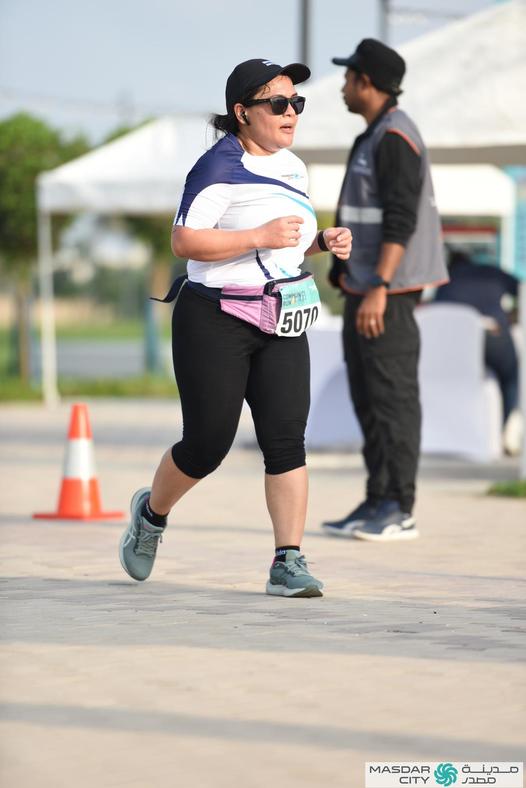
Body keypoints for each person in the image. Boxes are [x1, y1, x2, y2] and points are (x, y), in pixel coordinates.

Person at [119, 58, 352, 596]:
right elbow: (184, 241)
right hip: (215, 320)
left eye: (297, 103)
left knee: (286, 442)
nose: (291, 113)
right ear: (243, 112)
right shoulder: (217, 166)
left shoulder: (294, 167)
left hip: (281, 319)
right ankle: (151, 516)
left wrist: (323, 241)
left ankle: (287, 561)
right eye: (279, 103)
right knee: (207, 446)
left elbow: (287, 245)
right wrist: (258, 236)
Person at [322, 39, 448, 542]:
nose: (343, 86)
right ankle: (377, 499)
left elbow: (400, 219)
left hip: (386, 294)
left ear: (367, 82)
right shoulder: (373, 135)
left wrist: (379, 286)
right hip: (364, 287)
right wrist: (347, 275)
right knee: (368, 397)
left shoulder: (395, 136)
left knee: (392, 398)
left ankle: (400, 506)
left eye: (348, 77)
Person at [435, 250, 521, 455]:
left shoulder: (446, 280)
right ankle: (506, 428)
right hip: (493, 335)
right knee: (511, 377)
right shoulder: (490, 272)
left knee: (450, 381)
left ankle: (453, 430)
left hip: (456, 343)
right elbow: (521, 290)